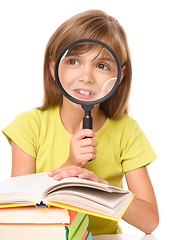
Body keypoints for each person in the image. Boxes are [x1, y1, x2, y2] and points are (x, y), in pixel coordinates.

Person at [2, 10, 159, 235]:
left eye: (102, 65)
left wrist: (103, 190)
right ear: (53, 67)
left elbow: (150, 221)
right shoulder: (28, 125)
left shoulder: (126, 131)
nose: (86, 76)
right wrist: (69, 166)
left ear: (120, 76)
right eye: (74, 61)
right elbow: (19, 214)